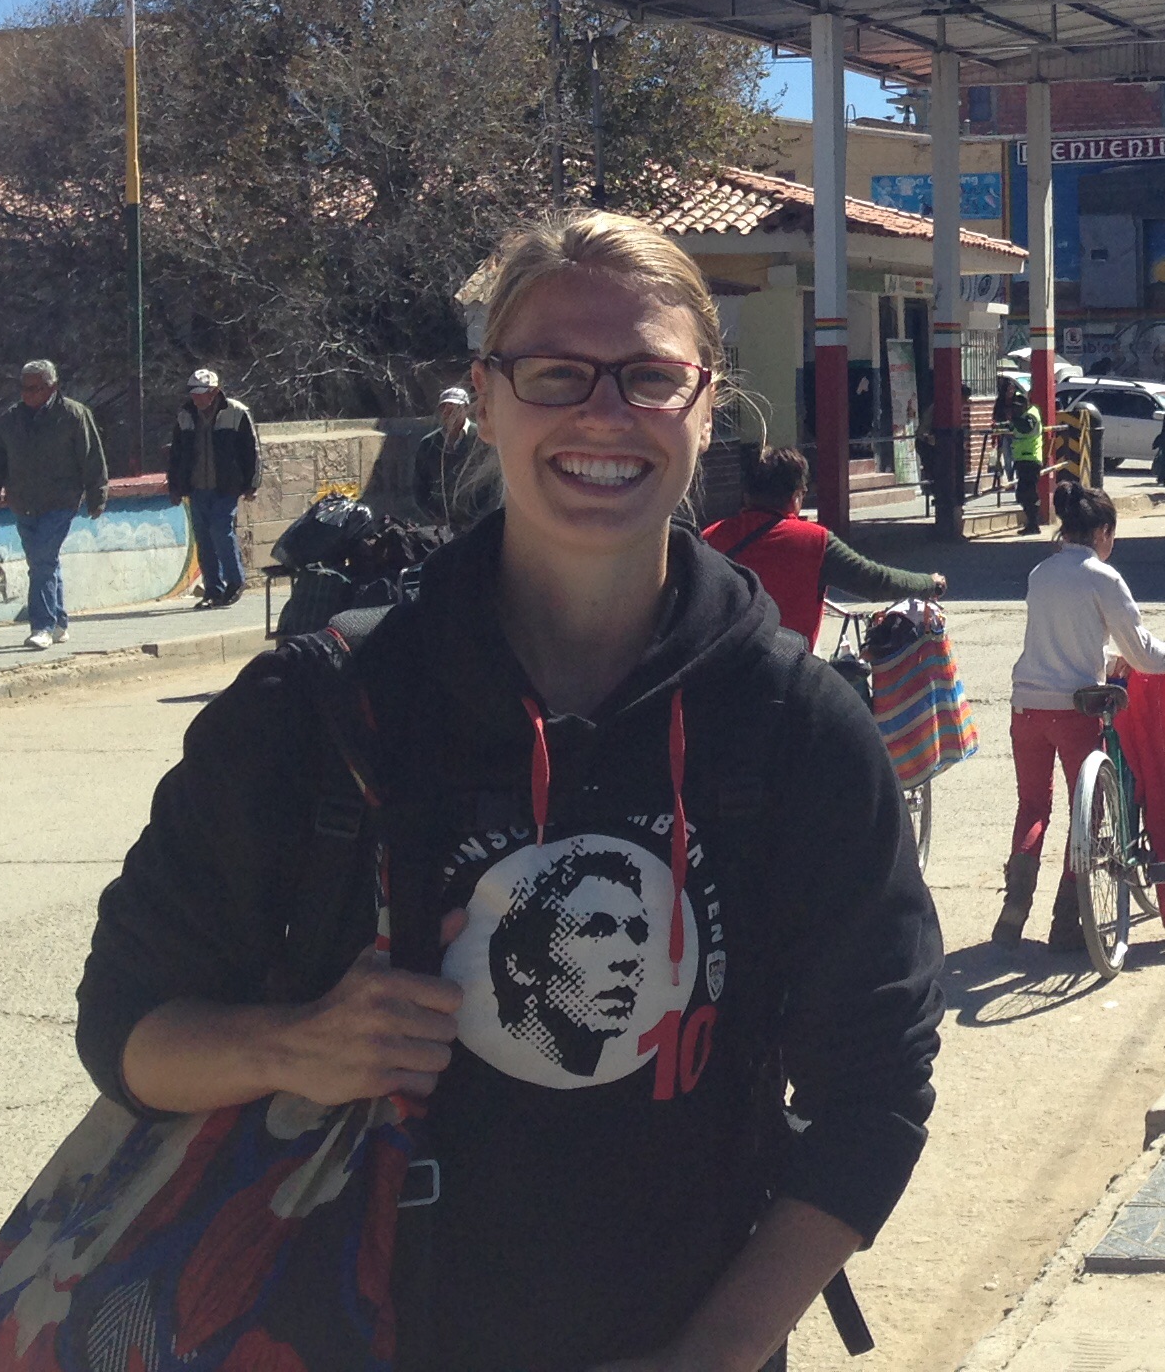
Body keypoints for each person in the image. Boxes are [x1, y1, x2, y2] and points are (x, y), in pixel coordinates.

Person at [77, 209, 943, 1372]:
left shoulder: (796, 728)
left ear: (707, 406)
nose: (603, 412)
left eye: (649, 377)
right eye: (554, 372)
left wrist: (714, 1352)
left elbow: (877, 1091)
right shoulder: (319, 706)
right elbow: (126, 1029)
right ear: (484, 400)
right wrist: (289, 1046)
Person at [998, 478, 1165, 950]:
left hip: (1027, 706)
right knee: (1087, 810)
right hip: (1074, 710)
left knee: (1032, 806)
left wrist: (1106, 659)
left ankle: (1015, 904)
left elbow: (1057, 643)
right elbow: (1143, 652)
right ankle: (1067, 919)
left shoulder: (1040, 573)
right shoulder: (1103, 578)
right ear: (1103, 531)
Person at [700, 444, 948, 642]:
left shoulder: (710, 537)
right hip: (787, 672)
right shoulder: (815, 541)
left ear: (747, 494)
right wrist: (928, 583)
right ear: (796, 497)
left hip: (718, 674)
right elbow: (875, 581)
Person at [0, 358, 106, 650]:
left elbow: (92, 457)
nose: (28, 394)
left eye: (35, 388)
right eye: (24, 388)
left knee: (41, 561)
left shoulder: (74, 415)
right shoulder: (11, 419)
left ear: (52, 387)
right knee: (44, 563)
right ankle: (59, 621)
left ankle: (42, 626)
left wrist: (97, 495)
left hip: (60, 501)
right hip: (23, 501)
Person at [163, 366, 262, 610]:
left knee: (221, 530)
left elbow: (252, 450)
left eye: (201, 393)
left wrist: (252, 484)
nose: (196, 398)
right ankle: (213, 590)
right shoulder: (185, 415)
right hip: (197, 487)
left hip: (226, 486)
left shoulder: (236, 412)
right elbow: (177, 453)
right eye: (193, 393)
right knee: (204, 539)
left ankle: (235, 581)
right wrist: (175, 486)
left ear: (214, 392)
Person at [408, 383, 505, 532]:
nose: (449, 413)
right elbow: (419, 485)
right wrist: (434, 515)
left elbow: (495, 483)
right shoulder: (429, 444)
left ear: (466, 408)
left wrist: (483, 517)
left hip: (478, 523)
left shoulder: (483, 440)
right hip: (444, 525)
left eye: (454, 408)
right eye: (445, 408)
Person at [1009, 394, 1048, 534]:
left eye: (1018, 407)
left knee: (1029, 493)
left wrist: (1014, 419)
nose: (1016, 409)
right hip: (1022, 459)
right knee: (1023, 494)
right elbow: (1013, 427)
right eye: (1014, 407)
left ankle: (1033, 524)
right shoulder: (1022, 416)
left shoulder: (1031, 415)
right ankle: (1032, 523)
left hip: (1031, 459)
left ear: (1026, 405)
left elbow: (1026, 427)